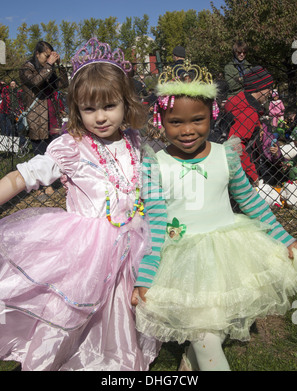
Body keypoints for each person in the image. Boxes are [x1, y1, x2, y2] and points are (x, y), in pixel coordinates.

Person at [0, 38, 160, 371]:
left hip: (131, 246)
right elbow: (22, 178)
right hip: (84, 251)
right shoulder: (71, 147)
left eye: (109, 106)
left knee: (116, 312)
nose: (100, 117)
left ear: (125, 103)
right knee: (69, 311)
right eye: (89, 109)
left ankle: (113, 363)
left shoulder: (134, 141)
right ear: (77, 109)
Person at [131, 61, 297, 372]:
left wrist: (286, 238)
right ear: (161, 120)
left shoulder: (227, 156)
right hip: (183, 259)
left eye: (198, 119)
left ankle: (190, 361)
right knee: (205, 333)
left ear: (212, 115)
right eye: (175, 122)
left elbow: (251, 202)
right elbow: (156, 223)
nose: (187, 130)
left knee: (215, 325)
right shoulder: (156, 164)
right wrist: (147, 273)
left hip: (228, 254)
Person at [19, 41, 68, 197]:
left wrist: (59, 67)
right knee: (40, 151)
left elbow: (63, 84)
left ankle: (56, 179)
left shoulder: (50, 69)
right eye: (46, 55)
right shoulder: (27, 68)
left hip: (53, 115)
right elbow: (35, 82)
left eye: (51, 55)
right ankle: (44, 185)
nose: (49, 58)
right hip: (37, 117)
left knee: (55, 149)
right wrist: (49, 65)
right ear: (37, 54)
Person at [224, 65, 274, 186]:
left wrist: (258, 125)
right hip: (239, 172)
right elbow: (235, 144)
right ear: (260, 88)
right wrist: (253, 175)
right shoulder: (249, 112)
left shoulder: (239, 101)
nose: (270, 92)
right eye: (269, 88)